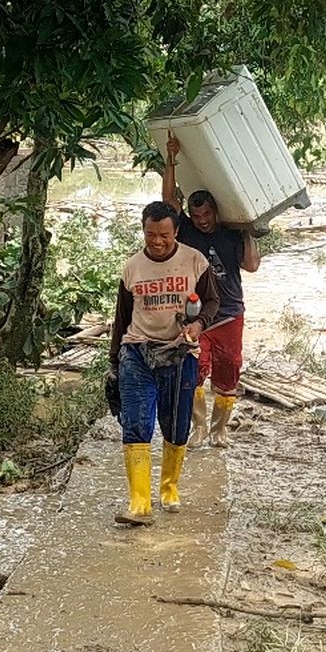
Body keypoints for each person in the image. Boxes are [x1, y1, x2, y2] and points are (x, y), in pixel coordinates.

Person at [108, 201, 220, 526]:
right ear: (143, 231)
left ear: (176, 232)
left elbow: (213, 301)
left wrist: (198, 326)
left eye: (164, 236)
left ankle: (169, 489)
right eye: (150, 235)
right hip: (137, 351)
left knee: (176, 424)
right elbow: (121, 318)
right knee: (136, 422)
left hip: (179, 352)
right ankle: (139, 504)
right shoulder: (132, 268)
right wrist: (114, 361)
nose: (157, 242)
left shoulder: (195, 262)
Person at [162, 134, 261, 448]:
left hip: (230, 314)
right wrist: (171, 159)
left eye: (207, 215)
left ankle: (220, 429)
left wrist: (248, 227)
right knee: (193, 371)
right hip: (196, 315)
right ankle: (199, 428)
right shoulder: (187, 231)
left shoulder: (232, 233)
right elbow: (168, 202)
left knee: (228, 372)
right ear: (190, 217)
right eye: (197, 216)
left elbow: (252, 265)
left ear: (217, 212)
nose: (203, 221)